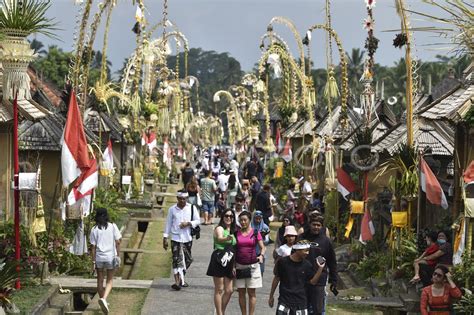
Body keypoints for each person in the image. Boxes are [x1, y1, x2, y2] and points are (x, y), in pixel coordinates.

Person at [268, 240, 326, 315]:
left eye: (308, 251)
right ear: (298, 250)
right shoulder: (283, 262)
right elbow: (277, 278)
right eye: (306, 251)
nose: (307, 253)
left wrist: (320, 269)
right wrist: (271, 296)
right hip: (285, 300)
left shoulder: (307, 265)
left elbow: (313, 282)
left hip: (301, 301)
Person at [163, 191, 201, 290]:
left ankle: (181, 278)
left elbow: (198, 221)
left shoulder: (192, 208)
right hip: (176, 238)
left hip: (187, 238)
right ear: (177, 198)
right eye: (180, 199)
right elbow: (168, 223)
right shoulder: (172, 209)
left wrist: (188, 223)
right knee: (176, 260)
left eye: (184, 199)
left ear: (187, 198)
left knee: (187, 260)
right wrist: (165, 237)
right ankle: (177, 281)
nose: (182, 201)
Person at [301, 216, 338, 315]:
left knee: (317, 309)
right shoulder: (302, 238)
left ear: (322, 227)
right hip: (302, 279)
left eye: (318, 225)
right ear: (309, 225)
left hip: (319, 280)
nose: (316, 227)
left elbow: (332, 261)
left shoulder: (326, 241)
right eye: (314, 224)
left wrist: (334, 280)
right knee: (301, 309)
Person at [90, 208, 122, 314]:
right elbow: (118, 242)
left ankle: (103, 300)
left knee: (99, 280)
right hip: (110, 257)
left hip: (99, 257)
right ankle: (104, 299)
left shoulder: (94, 229)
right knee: (109, 280)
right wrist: (118, 255)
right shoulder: (112, 226)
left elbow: (93, 247)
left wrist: (93, 262)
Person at [206, 209, 237, 315]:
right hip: (219, 258)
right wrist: (226, 238)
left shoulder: (234, 230)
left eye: (231, 216)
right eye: (226, 216)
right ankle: (219, 313)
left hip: (230, 259)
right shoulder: (219, 228)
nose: (229, 218)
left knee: (229, 290)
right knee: (219, 289)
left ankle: (221, 311)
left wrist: (234, 265)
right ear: (222, 217)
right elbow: (219, 238)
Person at [235, 211, 266, 315]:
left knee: (252, 293)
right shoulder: (236, 233)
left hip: (253, 266)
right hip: (239, 265)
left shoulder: (255, 232)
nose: (243, 222)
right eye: (241, 220)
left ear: (249, 220)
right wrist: (232, 266)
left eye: (245, 220)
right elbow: (233, 249)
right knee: (241, 293)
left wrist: (261, 255)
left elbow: (263, 247)